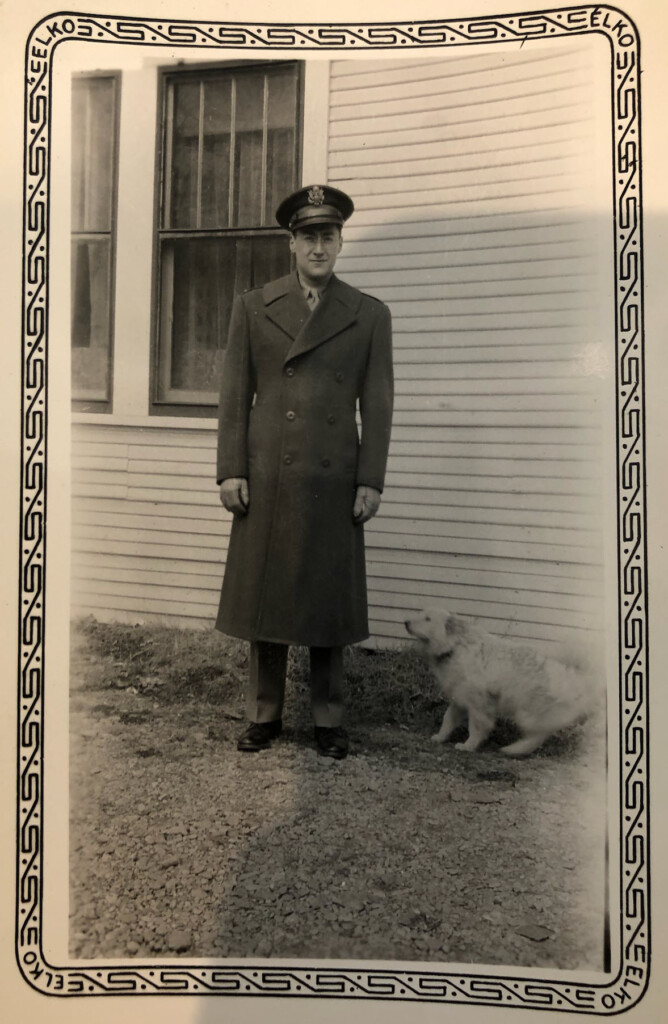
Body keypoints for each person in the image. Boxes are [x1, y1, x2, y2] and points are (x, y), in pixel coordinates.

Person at [215, 184, 393, 759]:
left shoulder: (369, 314)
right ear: (291, 244)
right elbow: (234, 396)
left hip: (333, 473)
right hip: (268, 472)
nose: (319, 246)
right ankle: (263, 715)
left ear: (340, 243)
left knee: (327, 601)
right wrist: (230, 470)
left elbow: (379, 403)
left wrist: (370, 478)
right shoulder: (253, 306)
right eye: (308, 236)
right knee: (266, 598)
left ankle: (328, 720)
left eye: (329, 235)